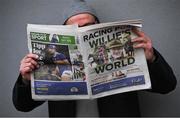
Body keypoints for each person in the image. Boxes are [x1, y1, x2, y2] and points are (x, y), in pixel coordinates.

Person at [13, 0, 177, 117]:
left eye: (88, 26)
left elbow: (167, 86)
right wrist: (26, 80)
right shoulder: (50, 58)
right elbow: (22, 106)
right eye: (74, 28)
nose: (82, 31)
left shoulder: (128, 49)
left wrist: (152, 58)